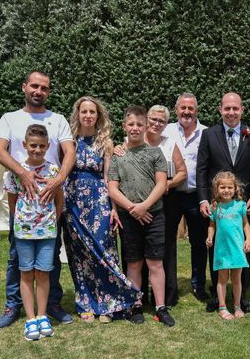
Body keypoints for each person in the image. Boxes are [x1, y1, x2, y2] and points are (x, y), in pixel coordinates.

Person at [0, 70, 76, 330]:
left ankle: (51, 304)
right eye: (34, 86)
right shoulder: (10, 119)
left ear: (48, 92)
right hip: (22, 202)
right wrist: (23, 173)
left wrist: (59, 178)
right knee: (16, 257)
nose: (39, 91)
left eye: (44, 88)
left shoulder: (58, 119)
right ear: (24, 87)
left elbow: (69, 151)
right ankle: (13, 305)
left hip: (49, 204)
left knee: (50, 258)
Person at [63, 96, 141, 324]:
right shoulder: (69, 141)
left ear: (98, 116)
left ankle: (108, 303)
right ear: (78, 114)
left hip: (99, 202)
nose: (88, 115)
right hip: (73, 203)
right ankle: (85, 302)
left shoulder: (105, 142)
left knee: (103, 251)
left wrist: (114, 208)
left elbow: (110, 179)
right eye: (84, 111)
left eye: (92, 112)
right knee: (79, 255)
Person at [196, 92, 250, 313]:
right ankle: (219, 298)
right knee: (216, 249)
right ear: (220, 110)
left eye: (235, 108)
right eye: (227, 108)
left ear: (242, 109)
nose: (231, 112)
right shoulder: (209, 134)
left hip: (242, 206)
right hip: (217, 205)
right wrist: (204, 199)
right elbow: (201, 169)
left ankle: (241, 295)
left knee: (242, 248)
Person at [108, 105, 175, 327]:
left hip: (154, 214)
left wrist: (144, 206)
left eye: (139, 124)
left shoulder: (155, 153)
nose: (135, 128)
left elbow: (162, 183)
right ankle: (135, 304)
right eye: (131, 124)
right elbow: (112, 188)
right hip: (129, 217)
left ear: (146, 127)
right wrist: (132, 208)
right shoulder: (118, 155)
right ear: (124, 126)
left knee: (155, 262)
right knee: (134, 262)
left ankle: (160, 307)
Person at [4, 124, 63, 341]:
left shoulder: (54, 171)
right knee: (26, 273)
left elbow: (60, 199)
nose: (37, 150)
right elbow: (12, 200)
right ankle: (30, 319)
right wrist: (20, 221)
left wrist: (51, 222)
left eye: (41, 146)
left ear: (47, 147)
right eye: (33, 146)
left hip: (47, 232)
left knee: (44, 273)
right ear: (25, 145)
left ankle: (42, 315)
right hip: (24, 233)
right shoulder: (16, 171)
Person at [162, 93, 209, 302]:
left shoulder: (206, 133)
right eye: (183, 108)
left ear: (196, 110)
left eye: (191, 108)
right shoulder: (167, 130)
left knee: (199, 243)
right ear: (176, 109)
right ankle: (169, 288)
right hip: (171, 194)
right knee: (168, 242)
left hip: (196, 196)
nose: (187, 112)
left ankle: (199, 285)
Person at [140, 104, 187, 307]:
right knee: (139, 247)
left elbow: (182, 171)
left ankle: (168, 296)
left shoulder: (170, 143)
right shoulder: (132, 140)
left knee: (166, 246)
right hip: (139, 199)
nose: (157, 124)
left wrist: (168, 183)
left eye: (162, 121)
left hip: (167, 200)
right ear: (146, 119)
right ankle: (139, 296)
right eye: (153, 119)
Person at [205, 171, 250, 320]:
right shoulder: (215, 207)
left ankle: (237, 306)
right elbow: (211, 225)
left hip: (237, 248)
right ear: (216, 189)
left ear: (235, 188)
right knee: (222, 279)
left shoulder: (240, 205)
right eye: (223, 187)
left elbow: (246, 224)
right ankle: (222, 307)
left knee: (237, 279)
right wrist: (210, 236)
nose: (226, 190)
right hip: (222, 250)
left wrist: (248, 240)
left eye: (230, 187)